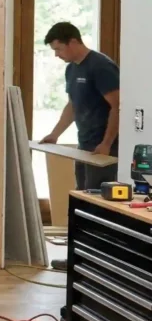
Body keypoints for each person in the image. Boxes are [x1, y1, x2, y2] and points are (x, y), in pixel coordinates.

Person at [38, 21, 120, 270]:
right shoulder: (72, 70)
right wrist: (54, 134)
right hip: (85, 146)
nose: (57, 55)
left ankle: (97, 261)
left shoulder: (101, 66)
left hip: (103, 150)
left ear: (73, 42)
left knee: (96, 203)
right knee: (81, 200)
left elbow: (118, 105)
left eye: (59, 49)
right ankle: (78, 258)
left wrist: (107, 143)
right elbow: (72, 106)